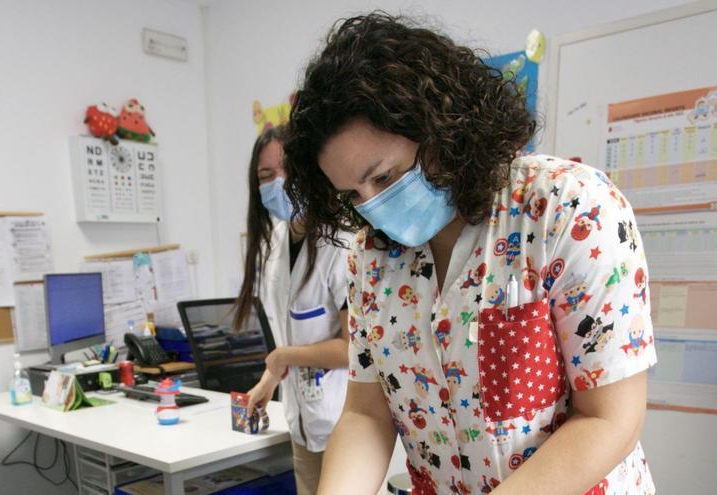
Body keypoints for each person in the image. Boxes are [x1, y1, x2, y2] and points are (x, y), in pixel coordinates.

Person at [283, 13, 657, 495]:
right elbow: (365, 414)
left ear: (443, 128)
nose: (374, 206)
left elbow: (611, 419)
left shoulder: (567, 208)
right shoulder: (370, 259)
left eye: (386, 178)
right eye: (352, 195)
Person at [233, 126, 352, 495]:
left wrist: (282, 356)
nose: (278, 183)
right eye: (265, 176)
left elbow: (354, 349)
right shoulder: (275, 246)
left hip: (345, 426)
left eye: (286, 169)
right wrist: (269, 380)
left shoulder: (342, 244)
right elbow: (290, 333)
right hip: (301, 424)